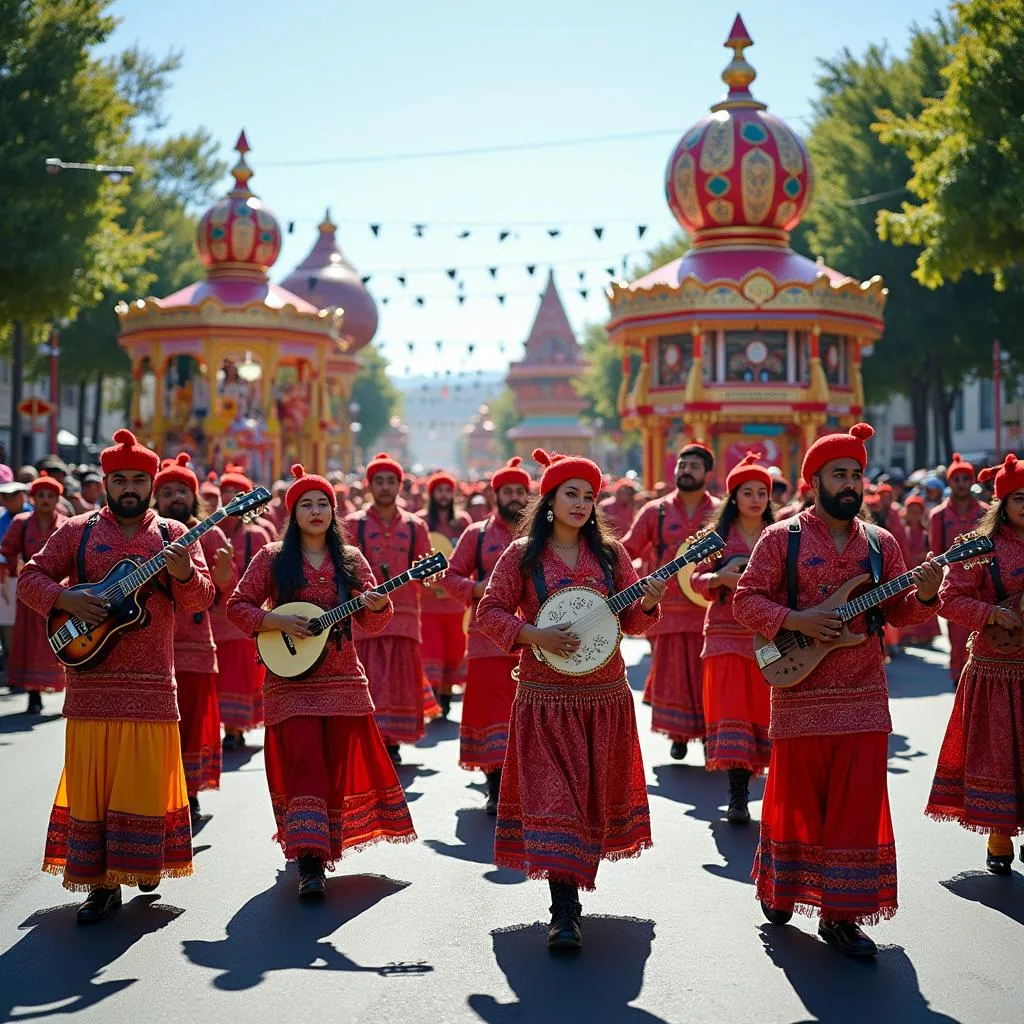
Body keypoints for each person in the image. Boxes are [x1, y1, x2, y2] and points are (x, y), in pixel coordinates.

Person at [733, 423, 942, 958]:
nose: (850, 483)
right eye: (839, 474)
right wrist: (799, 620)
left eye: (856, 474)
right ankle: (783, 888)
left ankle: (841, 914)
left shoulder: (882, 544)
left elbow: (901, 612)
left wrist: (925, 593)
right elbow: (747, 601)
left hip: (865, 694)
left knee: (857, 805)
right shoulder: (783, 537)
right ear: (814, 481)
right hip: (799, 691)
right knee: (798, 802)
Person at [17, 429, 213, 922]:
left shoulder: (173, 535)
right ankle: (101, 885)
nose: (129, 487)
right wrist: (66, 598)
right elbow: (30, 578)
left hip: (151, 684)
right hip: (91, 683)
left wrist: (186, 572)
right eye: (119, 479)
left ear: (151, 484)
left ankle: (143, 860)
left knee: (145, 782)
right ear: (105, 482)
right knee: (95, 786)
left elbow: (201, 600)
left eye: (138, 480)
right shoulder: (77, 530)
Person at [476, 447, 666, 951]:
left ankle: (575, 883)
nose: (581, 503)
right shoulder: (521, 557)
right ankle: (565, 910)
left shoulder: (611, 556)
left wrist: (648, 598)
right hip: (544, 697)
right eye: (571, 494)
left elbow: (636, 622)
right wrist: (535, 635)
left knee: (591, 802)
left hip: (605, 696)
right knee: (557, 799)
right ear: (550, 500)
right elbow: (490, 613)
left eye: (589, 495)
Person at [227, 465, 415, 897]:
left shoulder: (350, 560)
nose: (315, 511)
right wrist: (276, 619)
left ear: (334, 512)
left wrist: (380, 602)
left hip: (343, 679)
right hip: (289, 682)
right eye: (306, 505)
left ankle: (323, 848)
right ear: (292, 514)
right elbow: (238, 607)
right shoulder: (272, 558)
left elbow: (374, 622)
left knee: (333, 766)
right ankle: (310, 862)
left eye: (323, 504)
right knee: (305, 762)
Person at [926, 453, 1024, 873]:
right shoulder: (980, 547)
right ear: (1003, 503)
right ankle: (999, 835)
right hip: (996, 668)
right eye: (1020, 498)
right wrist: (992, 614)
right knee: (1001, 754)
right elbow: (947, 599)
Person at [622, 442, 720, 760]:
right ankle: (678, 734)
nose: (685, 471)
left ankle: (709, 734)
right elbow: (629, 550)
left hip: (711, 611)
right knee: (674, 676)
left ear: (707, 472)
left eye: (693, 466)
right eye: (681, 465)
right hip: (666, 611)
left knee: (711, 677)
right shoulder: (655, 511)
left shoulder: (721, 512)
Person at [442, 457, 530, 813]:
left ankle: (529, 787)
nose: (514, 497)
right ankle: (495, 785)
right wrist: (478, 588)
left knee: (530, 713)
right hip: (486, 639)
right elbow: (450, 576)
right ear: (495, 495)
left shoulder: (545, 535)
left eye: (520, 491)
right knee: (492, 715)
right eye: (507, 491)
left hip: (537, 639)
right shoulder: (476, 534)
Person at [689, 453, 773, 824]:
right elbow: (692, 579)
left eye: (762, 492)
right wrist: (720, 578)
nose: (756, 499)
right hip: (723, 637)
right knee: (732, 714)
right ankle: (737, 795)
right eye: (748, 492)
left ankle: (762, 793)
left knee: (764, 713)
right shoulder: (716, 539)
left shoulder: (782, 535)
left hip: (768, 637)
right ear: (734, 497)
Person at [154, 453, 236, 821]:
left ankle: (189, 791)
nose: (174, 498)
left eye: (181, 491)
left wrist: (220, 575)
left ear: (193, 496)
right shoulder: (148, 531)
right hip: (150, 646)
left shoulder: (212, 531)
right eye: (167, 491)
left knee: (190, 721)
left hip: (198, 645)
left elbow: (225, 597)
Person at [345, 453, 436, 762]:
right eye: (379, 482)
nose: (385, 487)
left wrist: (430, 577)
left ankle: (391, 743)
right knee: (368, 679)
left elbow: (427, 577)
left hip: (405, 619)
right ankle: (370, 741)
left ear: (400, 485)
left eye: (390, 482)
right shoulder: (352, 523)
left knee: (397, 682)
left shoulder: (415, 526)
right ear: (369, 485)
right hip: (363, 619)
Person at [0, 473, 67, 711]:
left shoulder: (66, 525)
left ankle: (61, 688)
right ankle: (33, 694)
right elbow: (6, 551)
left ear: (58, 498)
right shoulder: (22, 522)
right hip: (29, 590)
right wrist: (6, 572)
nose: (45, 500)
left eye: (50, 495)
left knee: (60, 640)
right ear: (33, 498)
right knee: (29, 642)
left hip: (61, 592)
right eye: (40, 495)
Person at [216, 463, 271, 749]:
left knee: (239, 677)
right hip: (212, 619)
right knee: (219, 678)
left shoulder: (258, 535)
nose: (230, 498)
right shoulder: (208, 531)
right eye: (225, 492)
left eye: (236, 493)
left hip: (243, 621)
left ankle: (235, 729)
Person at [417, 471, 472, 717]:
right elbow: (413, 561)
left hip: (455, 604)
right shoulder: (421, 522)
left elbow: (469, 557)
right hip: (428, 604)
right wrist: (427, 584)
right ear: (431, 494)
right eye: (439, 490)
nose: (443, 495)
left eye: (447, 490)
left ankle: (447, 698)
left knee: (454, 652)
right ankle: (435, 697)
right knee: (432, 653)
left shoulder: (462, 522)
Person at [930, 454, 988, 686]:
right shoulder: (939, 515)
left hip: (985, 582)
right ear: (949, 482)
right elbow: (936, 555)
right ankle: (959, 678)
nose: (962, 483)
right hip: (955, 585)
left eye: (966, 478)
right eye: (957, 479)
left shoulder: (985, 513)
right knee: (957, 634)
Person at [899, 496, 941, 647]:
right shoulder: (901, 531)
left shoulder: (925, 534)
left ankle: (926, 635)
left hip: (921, 572)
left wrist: (921, 558)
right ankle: (906, 635)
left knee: (925, 599)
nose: (914, 515)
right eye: (911, 511)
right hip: (906, 572)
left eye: (918, 512)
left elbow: (931, 551)